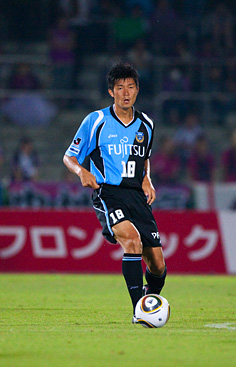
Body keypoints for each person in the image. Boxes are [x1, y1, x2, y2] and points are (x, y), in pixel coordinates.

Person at [63, 63, 166, 323]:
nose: (125, 92)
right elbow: (69, 156)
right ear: (111, 92)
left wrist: (147, 179)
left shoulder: (147, 124)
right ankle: (139, 311)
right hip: (107, 193)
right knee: (132, 240)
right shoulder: (95, 120)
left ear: (138, 90)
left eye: (130, 87)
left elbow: (144, 158)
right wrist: (81, 172)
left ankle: (148, 302)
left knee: (158, 264)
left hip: (136, 195)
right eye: (119, 87)